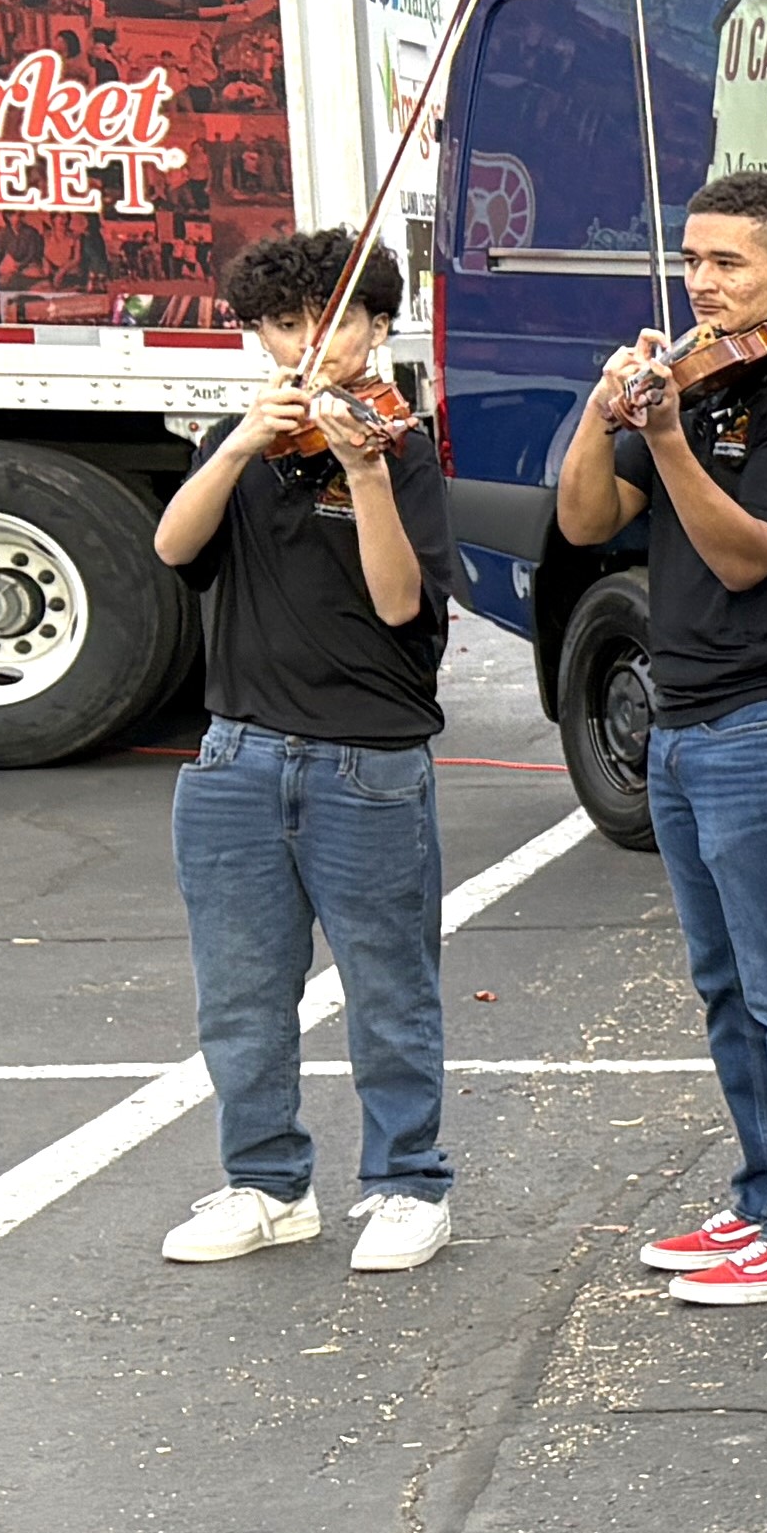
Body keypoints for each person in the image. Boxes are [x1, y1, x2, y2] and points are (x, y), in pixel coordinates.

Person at [553, 164, 767, 1307]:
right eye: (691, 260)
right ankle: (765, 1196)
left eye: (728, 263)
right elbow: (589, 519)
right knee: (728, 985)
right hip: (686, 722)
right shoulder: (691, 383)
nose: (704, 284)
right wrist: (609, 414)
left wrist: (673, 437)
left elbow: (747, 556)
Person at [150, 226, 452, 1273]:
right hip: (238, 752)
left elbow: (399, 599)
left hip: (366, 759)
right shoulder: (248, 443)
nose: (306, 346)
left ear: (376, 327)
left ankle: (409, 1183)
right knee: (239, 991)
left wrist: (363, 469)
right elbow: (173, 546)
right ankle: (266, 1184)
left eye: (332, 323)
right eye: (283, 326)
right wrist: (236, 443)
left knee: (389, 986)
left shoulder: (401, 448)